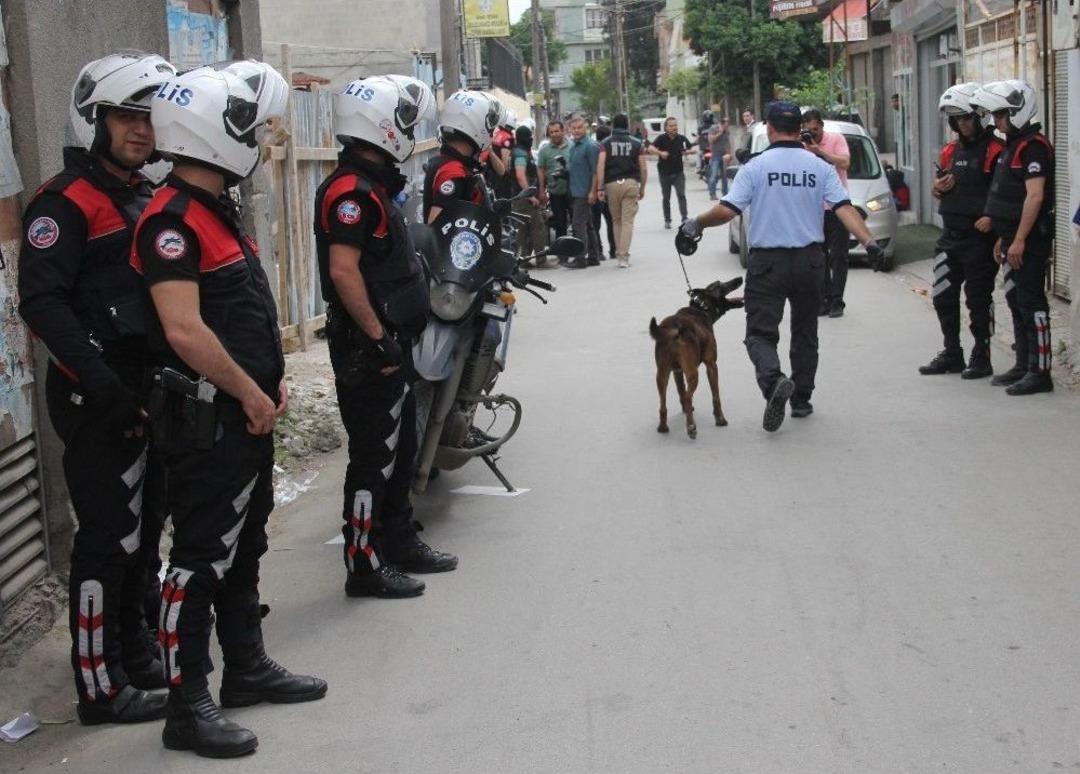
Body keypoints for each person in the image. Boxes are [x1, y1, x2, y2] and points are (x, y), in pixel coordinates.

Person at [132, 61, 326, 758]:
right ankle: (189, 705)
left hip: (243, 412)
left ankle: (246, 667)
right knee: (199, 558)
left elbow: (239, 314)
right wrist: (248, 389)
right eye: (245, 125)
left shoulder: (214, 210)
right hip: (209, 419)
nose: (257, 135)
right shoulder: (172, 222)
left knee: (245, 547)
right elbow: (185, 330)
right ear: (211, 133)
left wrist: (266, 383)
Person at [18, 52, 175, 727]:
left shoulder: (142, 195)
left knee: (146, 534)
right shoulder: (64, 202)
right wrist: (104, 384)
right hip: (95, 397)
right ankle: (98, 687)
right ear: (94, 119)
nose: (141, 130)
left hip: (147, 390)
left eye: (149, 117)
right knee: (107, 540)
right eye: (126, 116)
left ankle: (136, 654)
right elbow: (42, 304)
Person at [317, 75, 458, 601]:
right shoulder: (349, 193)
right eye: (400, 121)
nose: (406, 130)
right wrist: (377, 338)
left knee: (400, 452)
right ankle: (364, 564)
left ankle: (398, 539)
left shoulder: (373, 184)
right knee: (373, 458)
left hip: (392, 340)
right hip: (367, 347)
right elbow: (344, 271)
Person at [677, 101, 884, 433]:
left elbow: (727, 211)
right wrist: (870, 243)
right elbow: (844, 208)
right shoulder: (819, 167)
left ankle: (774, 382)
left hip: (768, 264)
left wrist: (695, 224)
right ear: (798, 129)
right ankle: (801, 398)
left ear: (770, 129)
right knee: (805, 333)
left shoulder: (756, 168)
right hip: (810, 263)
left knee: (760, 334)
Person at [971, 80, 1056, 395]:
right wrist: (1004, 238)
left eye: (1002, 114)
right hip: (1011, 237)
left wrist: (1019, 240)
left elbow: (1034, 197)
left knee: (1032, 302)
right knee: (1016, 299)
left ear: (1019, 111)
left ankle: (1041, 371)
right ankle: (1024, 363)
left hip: (1030, 240)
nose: (996, 121)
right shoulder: (1014, 145)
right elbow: (1009, 196)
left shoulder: (1033, 146)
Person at [918, 82, 1003, 379]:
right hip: (949, 237)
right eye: (956, 119)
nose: (962, 124)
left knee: (978, 298)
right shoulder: (950, 150)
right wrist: (937, 188)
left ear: (980, 116)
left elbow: (1007, 191)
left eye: (966, 118)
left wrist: (992, 218)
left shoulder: (996, 149)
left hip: (980, 240)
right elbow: (939, 190)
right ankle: (952, 352)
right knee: (942, 295)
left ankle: (982, 354)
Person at [801, 108, 852, 318]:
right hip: (813, 209)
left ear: (822, 126)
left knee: (838, 257)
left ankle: (837, 300)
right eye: (808, 130)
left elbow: (845, 162)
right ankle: (823, 299)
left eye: (815, 129)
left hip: (836, 208)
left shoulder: (836, 139)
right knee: (817, 258)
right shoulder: (801, 145)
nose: (813, 134)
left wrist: (820, 151)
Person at [422, 90, 501, 223]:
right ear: (476, 125)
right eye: (489, 128)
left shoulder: (444, 162)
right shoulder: (453, 171)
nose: (490, 133)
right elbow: (435, 224)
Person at [596, 113, 646, 268]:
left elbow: (601, 166)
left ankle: (619, 254)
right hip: (630, 183)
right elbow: (643, 168)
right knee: (627, 221)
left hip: (611, 184)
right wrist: (642, 187)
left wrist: (600, 187)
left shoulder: (605, 143)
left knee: (616, 221)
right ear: (626, 125)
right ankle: (623, 257)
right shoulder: (637, 144)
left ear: (613, 126)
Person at [565, 114, 601, 269]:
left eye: (580, 127)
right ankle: (594, 256)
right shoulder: (573, 145)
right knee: (588, 224)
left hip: (585, 191)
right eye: (574, 128)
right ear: (570, 129)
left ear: (585, 127)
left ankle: (580, 258)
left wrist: (593, 191)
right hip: (575, 189)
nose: (577, 130)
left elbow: (595, 171)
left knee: (578, 224)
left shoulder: (590, 146)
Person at [510, 123, 547, 262]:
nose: (531, 138)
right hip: (524, 199)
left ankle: (522, 260)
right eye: (530, 136)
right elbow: (520, 175)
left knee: (523, 230)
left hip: (520, 197)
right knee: (537, 227)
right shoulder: (520, 153)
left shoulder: (521, 151)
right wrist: (530, 196)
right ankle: (541, 260)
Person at [649, 117, 694, 229]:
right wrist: (660, 153)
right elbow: (650, 148)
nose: (674, 127)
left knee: (681, 195)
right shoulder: (661, 138)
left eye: (675, 125)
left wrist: (689, 151)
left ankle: (684, 217)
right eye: (671, 126)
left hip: (678, 172)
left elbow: (690, 148)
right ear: (666, 127)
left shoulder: (681, 139)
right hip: (664, 173)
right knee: (666, 197)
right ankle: (667, 220)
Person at [537, 119, 572, 242]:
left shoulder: (573, 147)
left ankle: (580, 255)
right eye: (551, 132)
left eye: (557, 131)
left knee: (577, 223)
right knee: (560, 223)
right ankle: (562, 254)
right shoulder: (544, 151)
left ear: (563, 131)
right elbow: (541, 170)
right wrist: (542, 190)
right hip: (555, 192)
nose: (554, 134)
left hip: (573, 192)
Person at [592, 123, 616, 261]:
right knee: (611, 221)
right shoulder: (608, 149)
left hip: (595, 190)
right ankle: (613, 250)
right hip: (607, 190)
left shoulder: (593, 148)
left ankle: (598, 251)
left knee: (595, 224)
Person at [707, 117, 730, 199]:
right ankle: (712, 194)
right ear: (722, 123)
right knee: (714, 175)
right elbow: (710, 140)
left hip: (724, 156)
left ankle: (726, 194)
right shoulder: (713, 128)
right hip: (715, 156)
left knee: (725, 176)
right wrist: (720, 133)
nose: (728, 125)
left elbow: (727, 143)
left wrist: (729, 154)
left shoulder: (727, 131)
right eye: (727, 123)